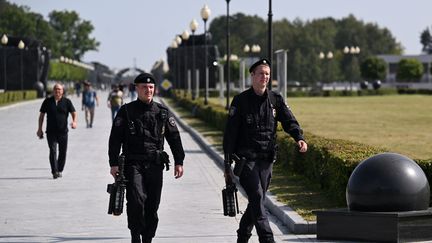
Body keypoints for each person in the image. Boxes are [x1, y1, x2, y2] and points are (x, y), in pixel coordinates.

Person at [223, 59, 308, 243]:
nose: (265, 77)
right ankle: (267, 239)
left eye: (267, 74)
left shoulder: (275, 99)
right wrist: (227, 164)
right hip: (247, 162)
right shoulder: (240, 101)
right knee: (257, 196)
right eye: (261, 73)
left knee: (257, 202)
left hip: (267, 161)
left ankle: (242, 236)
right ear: (252, 76)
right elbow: (230, 134)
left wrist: (299, 137)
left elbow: (289, 121)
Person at [108, 72, 185, 243]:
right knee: (136, 200)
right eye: (144, 87)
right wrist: (113, 163)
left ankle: (148, 238)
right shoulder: (126, 111)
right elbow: (115, 139)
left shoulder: (163, 112)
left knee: (152, 205)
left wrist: (179, 161)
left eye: (151, 87)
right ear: (136, 89)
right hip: (132, 163)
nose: (148, 90)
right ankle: (135, 235)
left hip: (155, 164)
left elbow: (174, 138)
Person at [37, 83, 78, 179]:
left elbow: (74, 113)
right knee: (53, 150)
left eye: (59, 89)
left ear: (62, 91)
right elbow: (41, 116)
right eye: (55, 89)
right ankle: (54, 171)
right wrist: (40, 129)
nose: (57, 91)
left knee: (63, 152)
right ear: (53, 91)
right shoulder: (47, 102)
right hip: (51, 132)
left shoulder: (67, 102)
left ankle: (59, 169)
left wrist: (74, 122)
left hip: (63, 132)